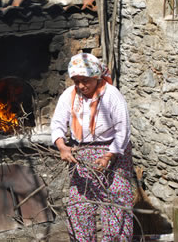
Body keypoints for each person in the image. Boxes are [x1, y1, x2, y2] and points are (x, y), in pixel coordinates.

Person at [51, 53, 134, 241]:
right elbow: (57, 123)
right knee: (79, 205)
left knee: (115, 204)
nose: (81, 86)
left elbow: (123, 130)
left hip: (113, 154)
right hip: (81, 154)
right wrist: (62, 146)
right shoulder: (69, 95)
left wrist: (108, 156)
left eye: (85, 80)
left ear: (96, 76)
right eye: (76, 81)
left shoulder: (112, 95)